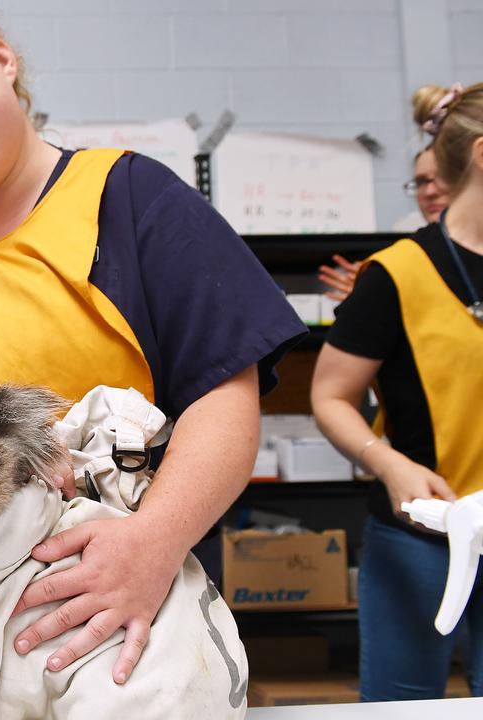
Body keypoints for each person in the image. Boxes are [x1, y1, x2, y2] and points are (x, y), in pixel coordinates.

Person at [0, 0, 305, 686]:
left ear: (2, 60)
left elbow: (225, 398)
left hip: (118, 572)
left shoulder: (131, 198)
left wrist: (152, 544)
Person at [311, 82, 483, 701]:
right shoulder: (395, 273)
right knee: (404, 705)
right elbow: (330, 395)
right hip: (420, 537)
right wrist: (388, 464)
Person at [318, 147, 450, 300]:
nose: (429, 192)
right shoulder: (405, 237)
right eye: (421, 182)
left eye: (443, 178)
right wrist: (373, 292)